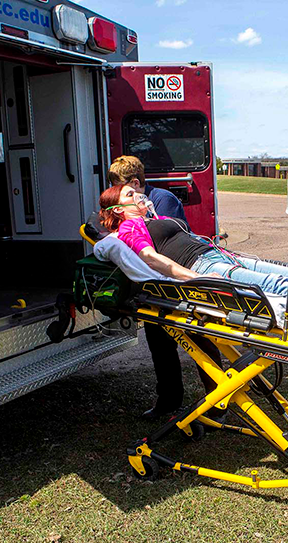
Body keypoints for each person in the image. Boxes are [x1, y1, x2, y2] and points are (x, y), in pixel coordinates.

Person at [97, 177, 288, 334]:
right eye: (129, 196)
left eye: (136, 192)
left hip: (218, 254)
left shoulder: (153, 218)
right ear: (117, 210)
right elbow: (152, 259)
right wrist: (195, 279)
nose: (138, 195)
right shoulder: (129, 228)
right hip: (204, 265)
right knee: (275, 287)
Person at [107, 156, 214, 419]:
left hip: (177, 284)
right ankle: (168, 401)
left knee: (201, 341)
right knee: (160, 345)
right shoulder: (131, 203)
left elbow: (170, 244)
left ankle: (216, 403)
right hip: (154, 288)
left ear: (135, 182)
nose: (120, 193)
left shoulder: (162, 201)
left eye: (121, 186)